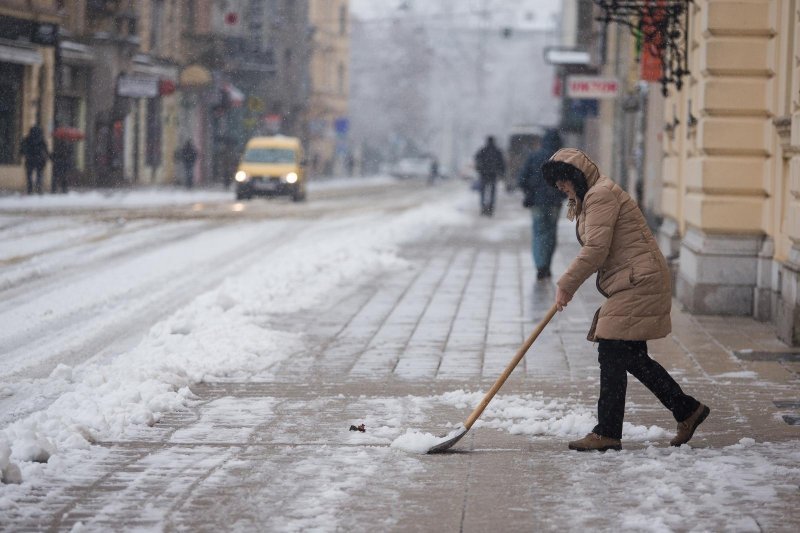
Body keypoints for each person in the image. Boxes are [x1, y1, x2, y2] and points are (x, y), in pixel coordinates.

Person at [543, 148, 710, 452]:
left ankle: (608, 431)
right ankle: (686, 410)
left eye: (562, 181)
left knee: (612, 347)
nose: (559, 188)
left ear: (575, 177)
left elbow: (596, 250)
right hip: (635, 279)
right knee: (627, 354)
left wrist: (566, 284)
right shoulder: (591, 197)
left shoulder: (599, 196)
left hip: (639, 281)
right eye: (556, 184)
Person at [518, 129, 564, 280]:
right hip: (554, 204)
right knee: (551, 234)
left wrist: (530, 191)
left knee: (538, 233)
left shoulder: (534, 157)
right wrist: (561, 195)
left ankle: (540, 265)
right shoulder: (562, 160)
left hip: (537, 203)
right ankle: (547, 265)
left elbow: (522, 179)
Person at [473, 136, 505, 216]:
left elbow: (477, 160)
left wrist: (479, 169)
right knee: (492, 192)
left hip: (483, 174)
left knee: (483, 192)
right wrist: (501, 173)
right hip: (493, 175)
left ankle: (483, 207)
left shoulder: (483, 150)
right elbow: (502, 163)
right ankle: (490, 208)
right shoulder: (497, 151)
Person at [20, 126, 50, 195]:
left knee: (29, 175)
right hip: (39, 160)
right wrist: (46, 157)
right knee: (39, 175)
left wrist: (25, 154)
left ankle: (30, 189)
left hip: (30, 160)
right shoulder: (41, 140)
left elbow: (22, 149)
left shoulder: (27, 139)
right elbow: (45, 150)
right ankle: (38, 188)